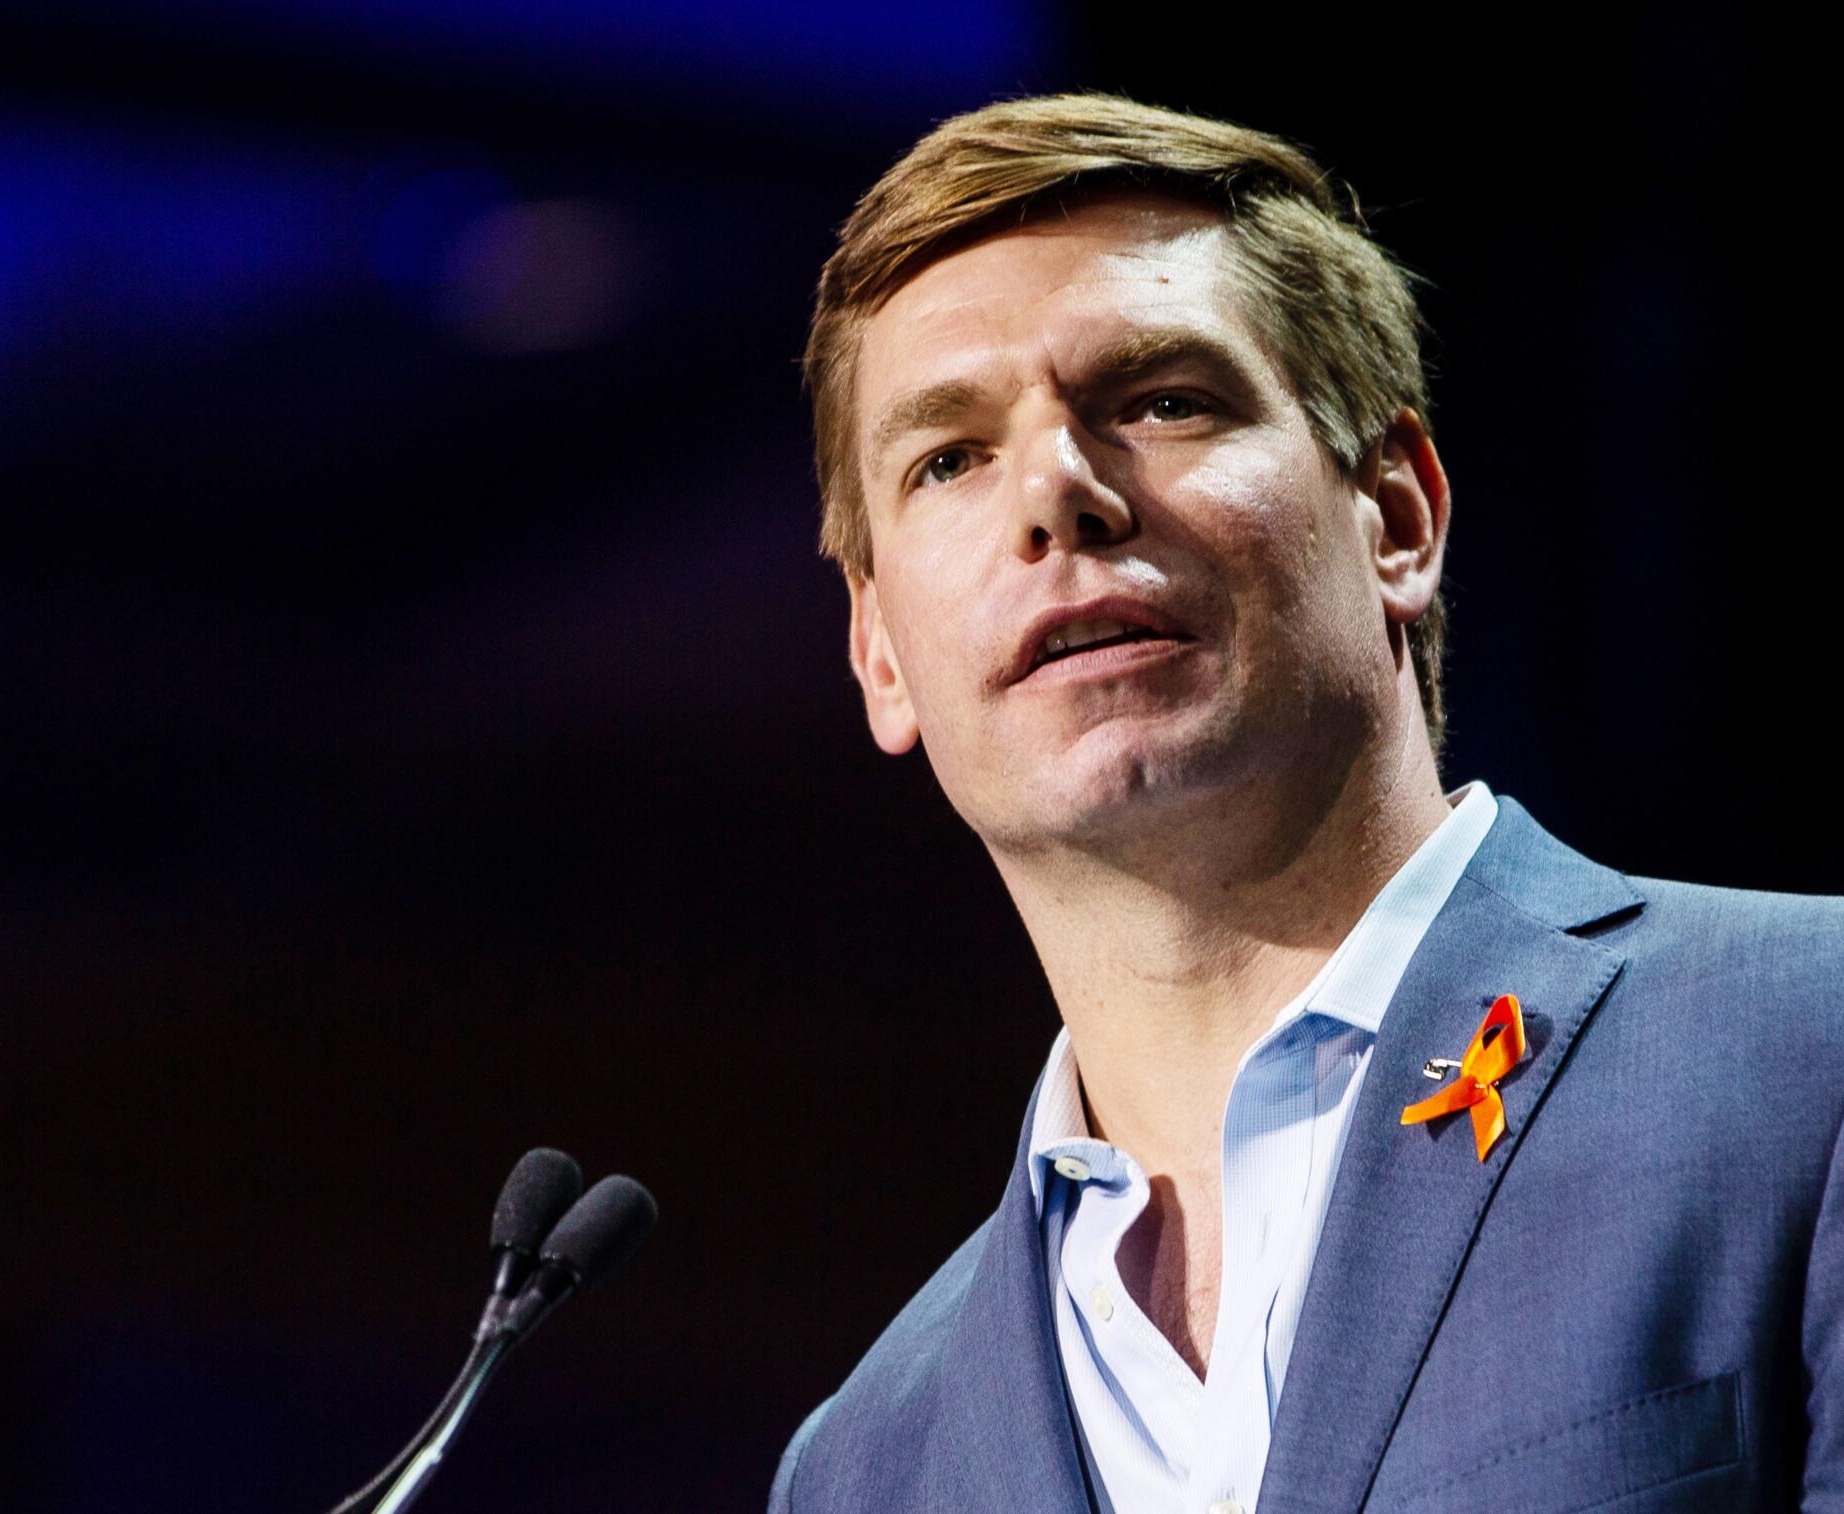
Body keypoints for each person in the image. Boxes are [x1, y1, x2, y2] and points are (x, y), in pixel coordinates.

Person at [767, 93, 1844, 1513]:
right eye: (948, 457)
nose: (1059, 495)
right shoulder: (863, 1467)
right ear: (881, 656)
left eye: (1161, 399)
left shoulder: (1805, 1047)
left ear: (1395, 516)